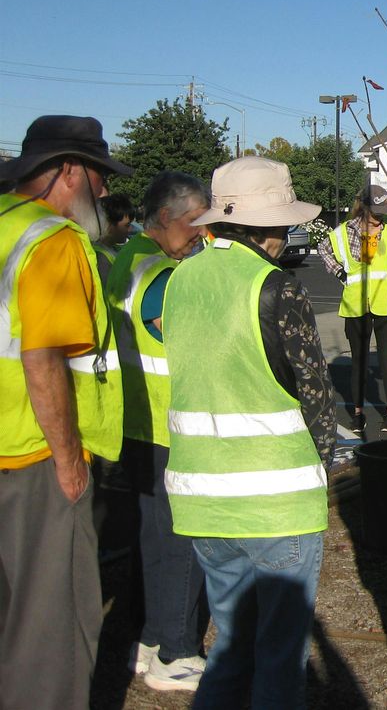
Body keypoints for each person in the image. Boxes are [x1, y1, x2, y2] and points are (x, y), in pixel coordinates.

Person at [162, 156, 337, 709]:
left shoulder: (180, 279)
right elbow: (315, 395)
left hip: (202, 497)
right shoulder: (275, 286)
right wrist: (320, 470)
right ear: (270, 226)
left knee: (232, 647)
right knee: (279, 657)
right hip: (276, 502)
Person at [0, 115, 129, 710]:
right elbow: (44, 358)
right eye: (100, 174)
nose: (104, 189)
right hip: (33, 459)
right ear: (70, 171)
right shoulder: (53, 241)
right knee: (50, 630)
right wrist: (70, 461)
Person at [107, 171, 211, 691]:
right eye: (194, 222)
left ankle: (147, 639)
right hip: (171, 427)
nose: (201, 233)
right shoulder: (164, 277)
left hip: (136, 423)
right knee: (181, 541)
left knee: (149, 537)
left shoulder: (126, 258)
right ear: (165, 217)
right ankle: (176, 650)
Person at [318, 184, 387, 437]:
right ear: (364, 207)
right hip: (355, 304)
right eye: (376, 211)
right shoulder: (345, 232)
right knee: (359, 361)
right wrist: (340, 273)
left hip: (385, 303)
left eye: (384, 211)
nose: (380, 217)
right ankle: (357, 412)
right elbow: (324, 248)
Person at [93, 192, 137, 283]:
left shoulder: (112, 250)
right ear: (110, 225)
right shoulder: (101, 258)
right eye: (126, 225)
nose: (129, 230)